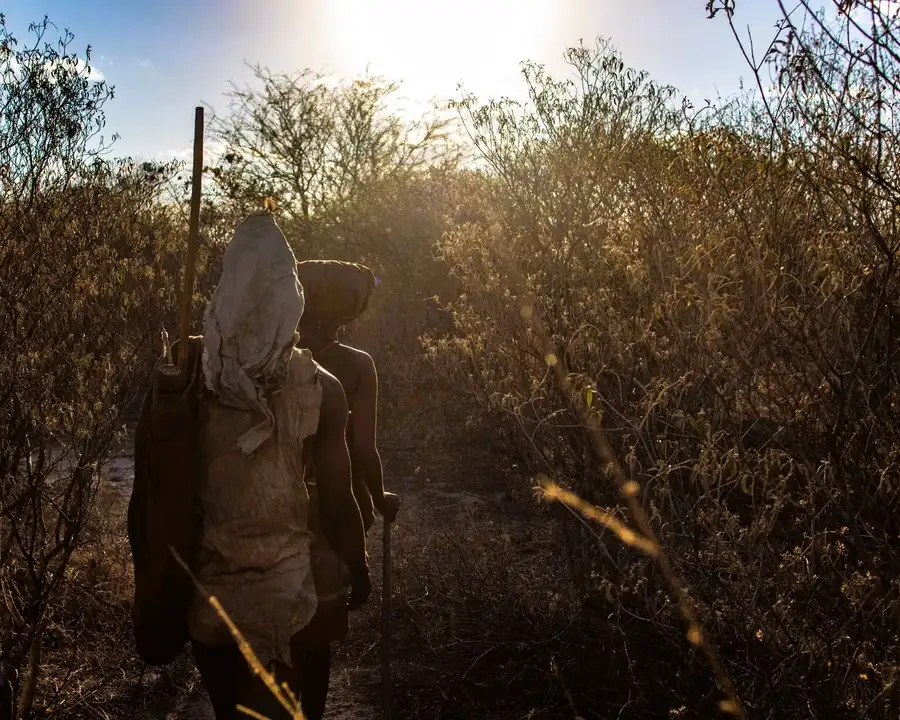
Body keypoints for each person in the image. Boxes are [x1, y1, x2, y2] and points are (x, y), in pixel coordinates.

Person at [186, 214, 370, 720]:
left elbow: (161, 491)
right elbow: (337, 499)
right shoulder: (322, 387)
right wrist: (358, 565)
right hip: (296, 601)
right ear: (292, 295)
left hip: (213, 598)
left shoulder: (189, 383)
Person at [292, 259, 401, 716]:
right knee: (316, 642)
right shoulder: (357, 367)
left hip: (276, 507)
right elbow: (363, 451)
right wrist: (380, 499)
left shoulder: (268, 359)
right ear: (346, 315)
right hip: (332, 519)